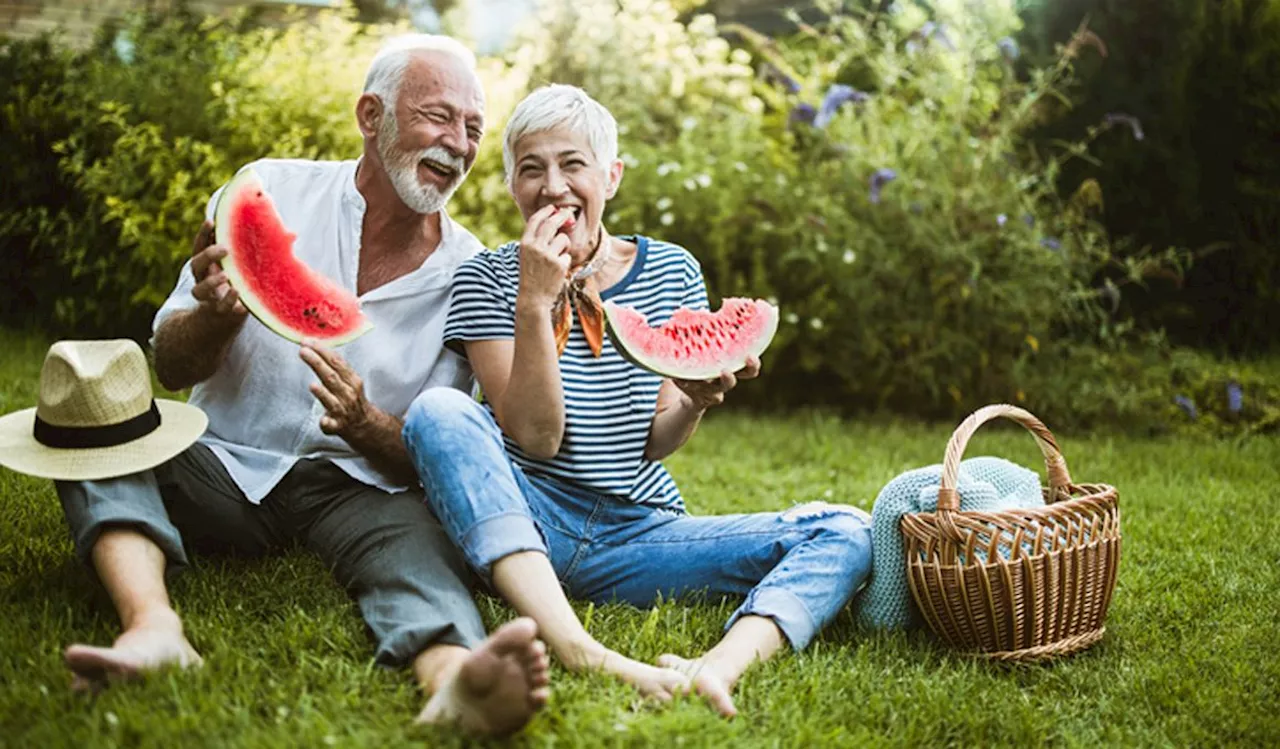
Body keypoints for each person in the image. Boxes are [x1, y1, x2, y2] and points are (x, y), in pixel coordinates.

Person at [35, 35, 549, 737]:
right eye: (438, 116)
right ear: (372, 116)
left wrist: (370, 423)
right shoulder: (270, 192)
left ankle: (452, 674)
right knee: (101, 423)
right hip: (222, 458)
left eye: (473, 128)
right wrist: (216, 318)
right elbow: (171, 364)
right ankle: (152, 626)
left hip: (355, 489)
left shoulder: (469, 274)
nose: (458, 143)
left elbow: (429, 453)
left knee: (420, 536)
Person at [401, 84, 873, 718]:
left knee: (844, 529)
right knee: (439, 410)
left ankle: (721, 664)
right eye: (532, 169)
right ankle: (575, 645)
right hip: (524, 517)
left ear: (610, 177)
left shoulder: (672, 270)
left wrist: (696, 401)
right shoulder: (487, 276)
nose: (554, 185)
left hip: (640, 536)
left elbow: (656, 438)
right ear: (512, 185)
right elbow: (536, 437)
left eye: (573, 164)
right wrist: (535, 301)